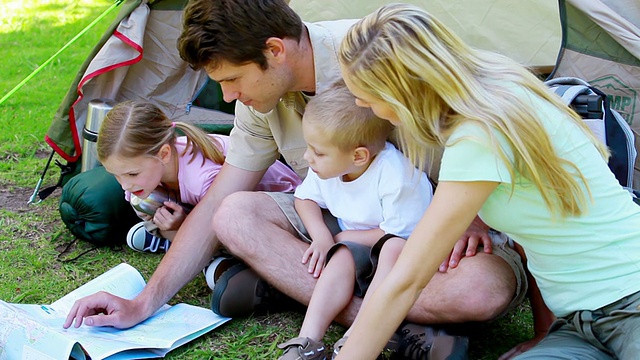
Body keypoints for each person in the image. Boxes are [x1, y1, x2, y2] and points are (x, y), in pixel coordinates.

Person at [64, 1, 528, 357]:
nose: (228, 97)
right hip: (332, 225)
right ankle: (386, 324)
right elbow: (220, 197)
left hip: (426, 225)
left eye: (232, 80)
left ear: (274, 50)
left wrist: (470, 213)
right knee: (233, 214)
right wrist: (144, 303)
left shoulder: (377, 55)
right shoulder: (258, 103)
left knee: (481, 289)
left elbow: (488, 126)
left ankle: (304, 293)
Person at [334, 3, 640, 360]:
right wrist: (545, 331)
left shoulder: (479, 138)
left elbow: (407, 279)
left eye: (368, 99)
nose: (363, 106)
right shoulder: (497, 83)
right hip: (580, 324)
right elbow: (540, 225)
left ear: (403, 96)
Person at [277, 83, 436, 359]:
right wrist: (322, 236)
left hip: (405, 256)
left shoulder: (395, 175)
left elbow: (402, 234)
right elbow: (304, 199)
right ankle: (307, 341)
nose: (307, 157)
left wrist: (341, 237)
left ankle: (360, 335)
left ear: (359, 156)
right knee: (342, 256)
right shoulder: (328, 168)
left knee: (391, 250)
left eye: (318, 151)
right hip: (361, 252)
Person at [95, 99, 301, 258]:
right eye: (116, 175)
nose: (125, 185)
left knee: (224, 242)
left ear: (164, 154)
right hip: (204, 207)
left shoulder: (201, 180)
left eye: (132, 174)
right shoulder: (157, 164)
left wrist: (181, 228)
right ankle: (169, 238)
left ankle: (202, 253)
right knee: (143, 199)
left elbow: (223, 231)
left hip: (285, 205)